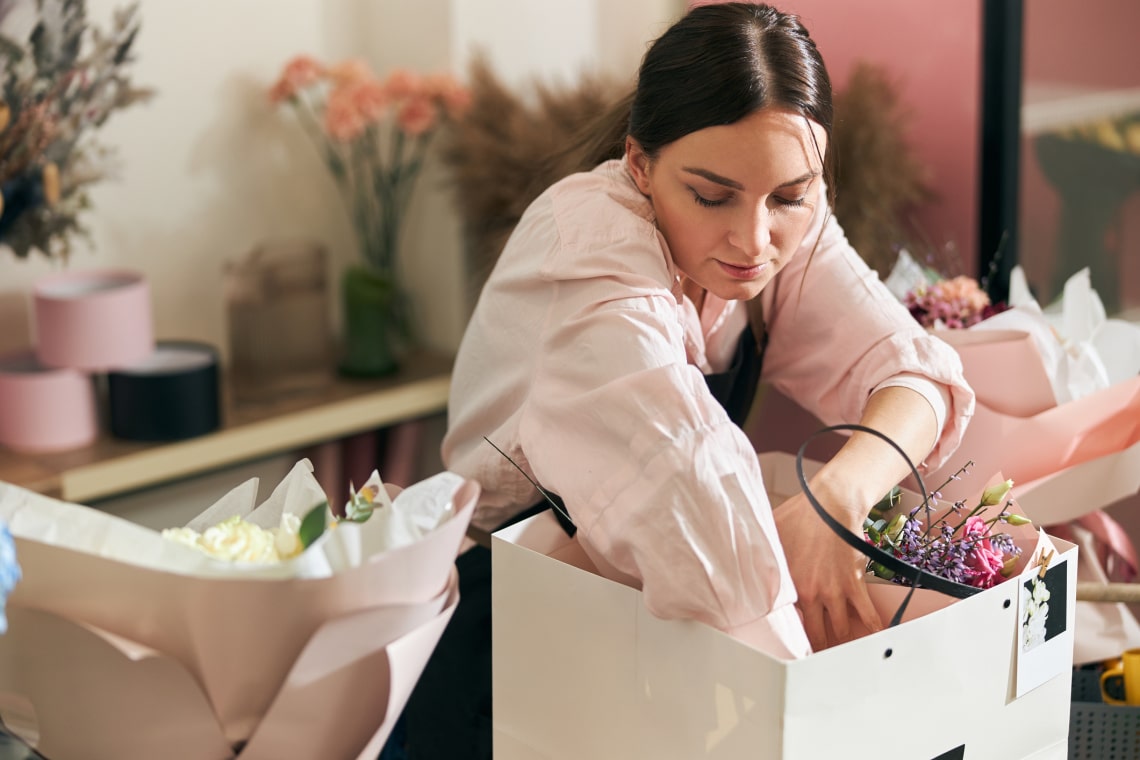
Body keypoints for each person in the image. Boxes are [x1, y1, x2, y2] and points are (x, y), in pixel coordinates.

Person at [399, 3, 975, 758]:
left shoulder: (778, 214)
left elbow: (916, 374)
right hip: (512, 654)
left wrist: (838, 493)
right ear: (640, 163)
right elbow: (700, 503)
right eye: (711, 196)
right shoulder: (591, 255)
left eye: (790, 197)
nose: (753, 239)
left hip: (663, 653)